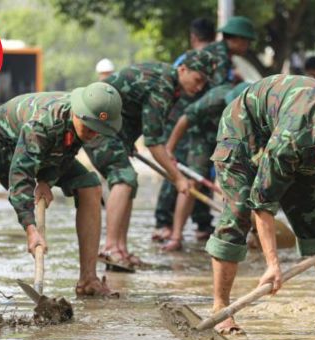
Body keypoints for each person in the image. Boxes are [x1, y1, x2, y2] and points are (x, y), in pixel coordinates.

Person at [205, 74, 315, 334]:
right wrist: (273, 264)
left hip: (299, 138)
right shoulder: (296, 136)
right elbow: (262, 201)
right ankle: (220, 309)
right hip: (244, 130)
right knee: (239, 212)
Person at [0, 82, 122, 300]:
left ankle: (88, 279)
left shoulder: (84, 121)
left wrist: (47, 180)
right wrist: (31, 230)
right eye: (89, 127)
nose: (93, 134)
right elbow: (20, 177)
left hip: (39, 151)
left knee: (90, 186)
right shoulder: (44, 123)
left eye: (99, 130)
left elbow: (66, 151)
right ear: (78, 113)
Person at [86, 50, 215, 267]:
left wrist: (167, 158)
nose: (199, 87)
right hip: (95, 126)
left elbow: (148, 127)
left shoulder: (172, 86)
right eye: (197, 80)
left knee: (129, 181)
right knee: (124, 178)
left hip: (115, 132)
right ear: (183, 70)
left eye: (204, 83)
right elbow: (153, 143)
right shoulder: (163, 84)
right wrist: (178, 178)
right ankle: (110, 248)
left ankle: (121, 250)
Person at [162, 82, 250, 251]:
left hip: (230, 139)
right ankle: (176, 235)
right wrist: (169, 149)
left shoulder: (255, 107)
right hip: (202, 136)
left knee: (240, 182)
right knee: (194, 180)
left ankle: (246, 233)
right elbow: (185, 119)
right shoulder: (215, 99)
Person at [152, 17, 216, 243]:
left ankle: (188, 224)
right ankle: (169, 225)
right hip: (183, 122)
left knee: (190, 173)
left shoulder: (209, 62)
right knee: (178, 170)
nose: (198, 85)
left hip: (196, 126)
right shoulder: (187, 64)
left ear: (193, 37)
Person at [204, 16, 256, 86]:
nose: (248, 46)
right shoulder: (220, 55)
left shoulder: (223, 53)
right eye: (248, 42)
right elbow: (220, 88)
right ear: (236, 39)